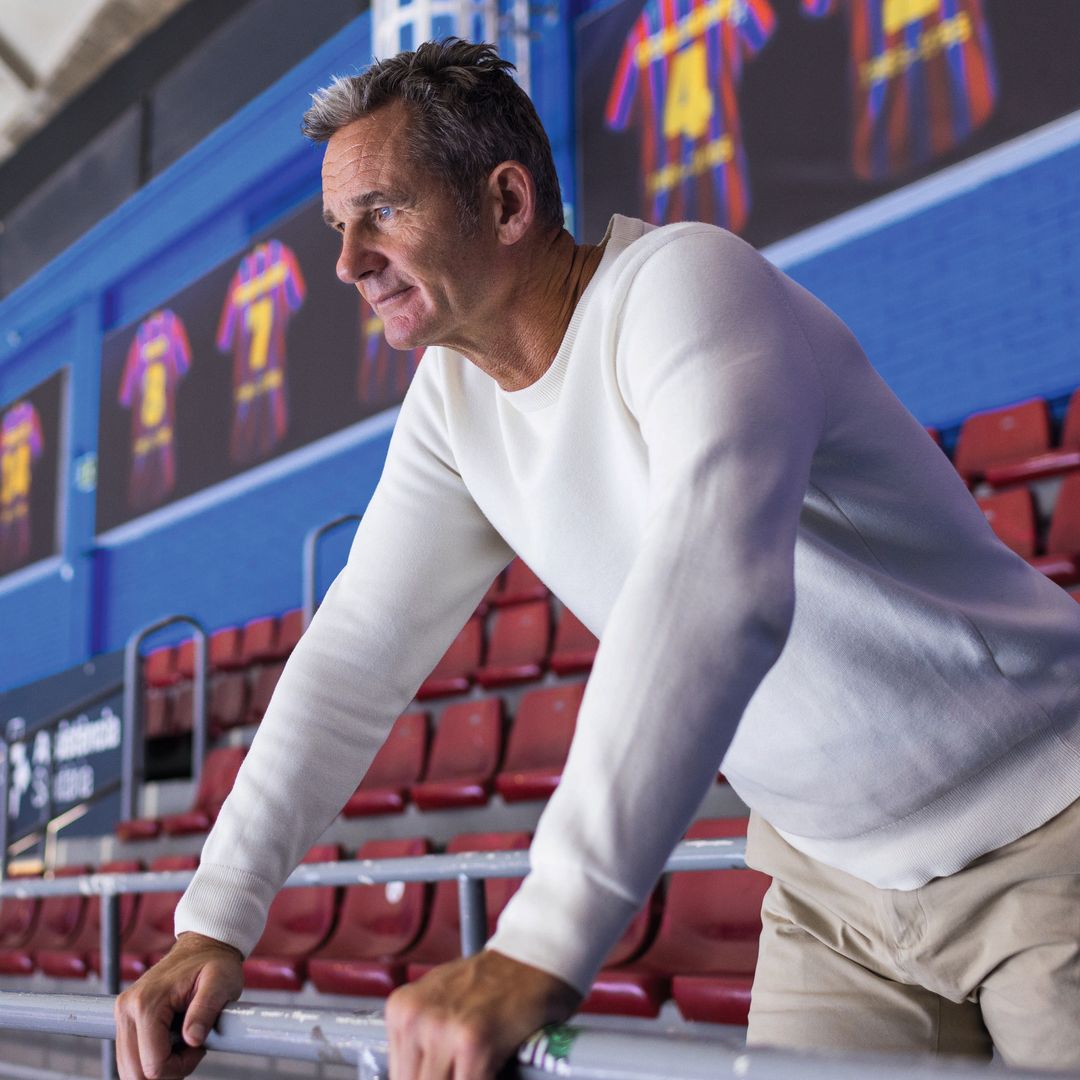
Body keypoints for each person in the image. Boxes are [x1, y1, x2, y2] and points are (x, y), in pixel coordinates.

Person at [115, 38, 1080, 1080]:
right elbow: (354, 659)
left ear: (507, 201)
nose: (348, 262)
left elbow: (719, 587)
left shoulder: (688, 285)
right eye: (338, 230)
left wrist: (541, 940)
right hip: (835, 895)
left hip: (1046, 839)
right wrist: (214, 917)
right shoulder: (452, 405)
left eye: (382, 212)